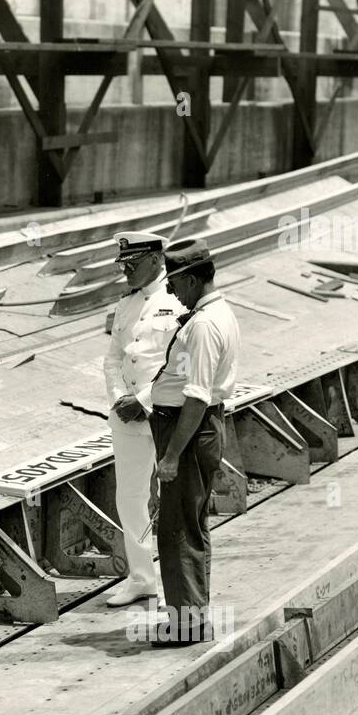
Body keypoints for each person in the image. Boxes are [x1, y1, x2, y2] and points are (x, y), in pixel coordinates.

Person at [147, 239, 240, 647]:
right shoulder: (219, 312)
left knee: (176, 529)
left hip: (188, 429)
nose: (171, 292)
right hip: (200, 427)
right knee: (191, 524)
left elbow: (197, 395)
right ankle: (193, 617)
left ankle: (185, 626)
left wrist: (170, 456)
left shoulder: (202, 325)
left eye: (174, 283)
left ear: (190, 279)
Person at [102, 232, 186, 610]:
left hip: (166, 412)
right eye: (123, 266)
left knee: (175, 497)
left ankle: (179, 582)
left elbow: (182, 363)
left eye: (131, 266)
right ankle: (141, 578)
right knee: (130, 497)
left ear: (155, 259)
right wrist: (120, 397)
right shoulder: (126, 306)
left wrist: (143, 400)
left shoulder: (179, 298)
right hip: (127, 416)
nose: (125, 273)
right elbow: (113, 359)